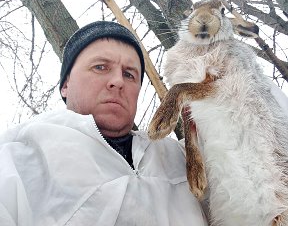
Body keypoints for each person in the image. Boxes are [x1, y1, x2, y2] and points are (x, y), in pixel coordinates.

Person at [0, 21, 208, 226]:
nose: (118, 81)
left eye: (129, 74)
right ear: (65, 85)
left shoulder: (181, 158)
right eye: (100, 67)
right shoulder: (18, 158)